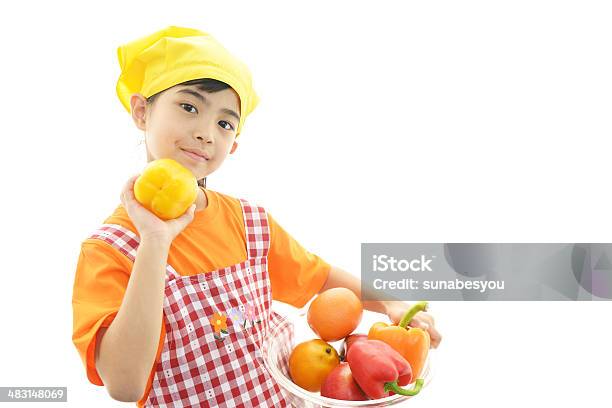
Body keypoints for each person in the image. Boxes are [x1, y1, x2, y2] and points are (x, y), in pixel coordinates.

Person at [71, 25, 442, 407]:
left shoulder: (249, 222)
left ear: (233, 146)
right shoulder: (109, 250)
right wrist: (155, 240)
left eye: (224, 123)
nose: (205, 133)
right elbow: (124, 384)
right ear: (142, 111)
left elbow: (322, 279)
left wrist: (394, 305)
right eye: (189, 107)